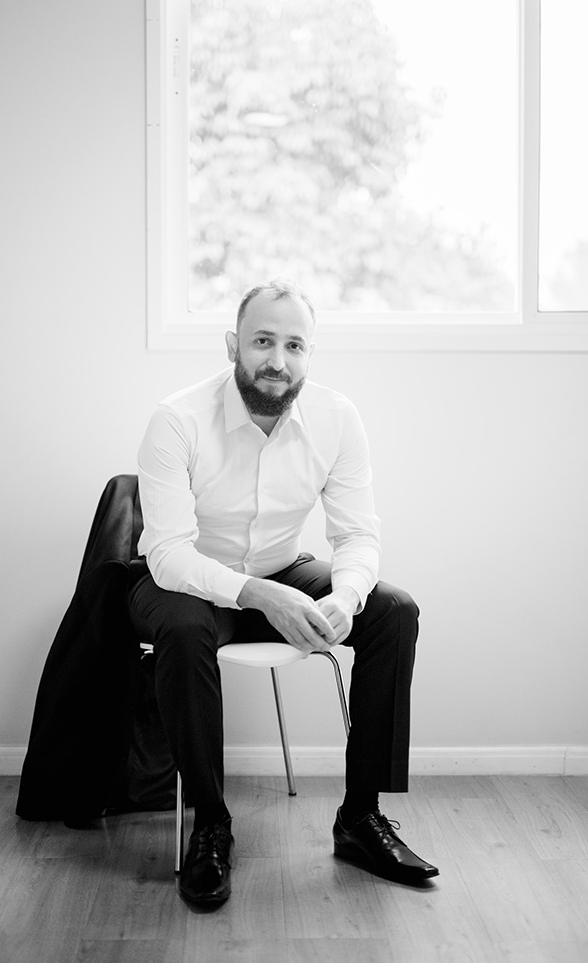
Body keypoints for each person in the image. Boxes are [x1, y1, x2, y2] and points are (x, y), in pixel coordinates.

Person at [129, 279, 438, 906]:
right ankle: (211, 823)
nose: (278, 360)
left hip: (281, 569)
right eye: (262, 341)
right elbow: (167, 554)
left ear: (309, 354)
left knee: (393, 610)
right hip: (183, 580)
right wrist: (261, 596)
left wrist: (344, 598)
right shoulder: (176, 419)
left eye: (294, 345)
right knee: (185, 630)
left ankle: (360, 817)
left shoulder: (336, 418)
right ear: (232, 346)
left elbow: (357, 535)